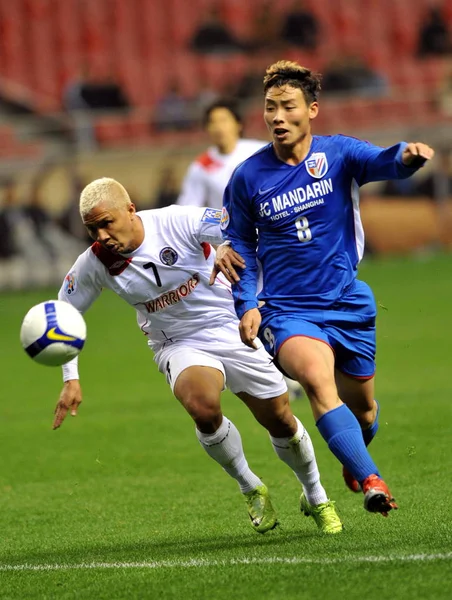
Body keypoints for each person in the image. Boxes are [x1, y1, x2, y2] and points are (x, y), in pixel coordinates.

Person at [53, 177, 343, 535]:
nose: (100, 236)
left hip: (229, 323)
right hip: (176, 341)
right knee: (202, 405)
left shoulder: (174, 221)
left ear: (130, 210)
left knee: (280, 418)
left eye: (106, 223)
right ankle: (250, 486)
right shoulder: (95, 262)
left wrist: (224, 246)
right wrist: (71, 377)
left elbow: (232, 225)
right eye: (91, 229)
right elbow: (64, 313)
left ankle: (315, 495)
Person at [210, 60, 435, 517]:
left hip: (347, 302)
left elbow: (380, 161)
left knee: (366, 413)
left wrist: (405, 158)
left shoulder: (338, 154)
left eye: (287, 106)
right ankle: (372, 481)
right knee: (315, 379)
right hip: (287, 312)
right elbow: (240, 249)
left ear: (312, 109)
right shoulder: (248, 178)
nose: (277, 116)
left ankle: (354, 459)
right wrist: (247, 304)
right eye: (270, 107)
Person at [177, 98, 304, 400]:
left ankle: (293, 366)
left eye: (224, 120)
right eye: (212, 122)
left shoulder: (257, 152)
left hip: (271, 241)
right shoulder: (202, 167)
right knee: (247, 310)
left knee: (277, 304)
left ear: (237, 124)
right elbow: (186, 211)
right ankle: (280, 375)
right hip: (232, 251)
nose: (218, 127)